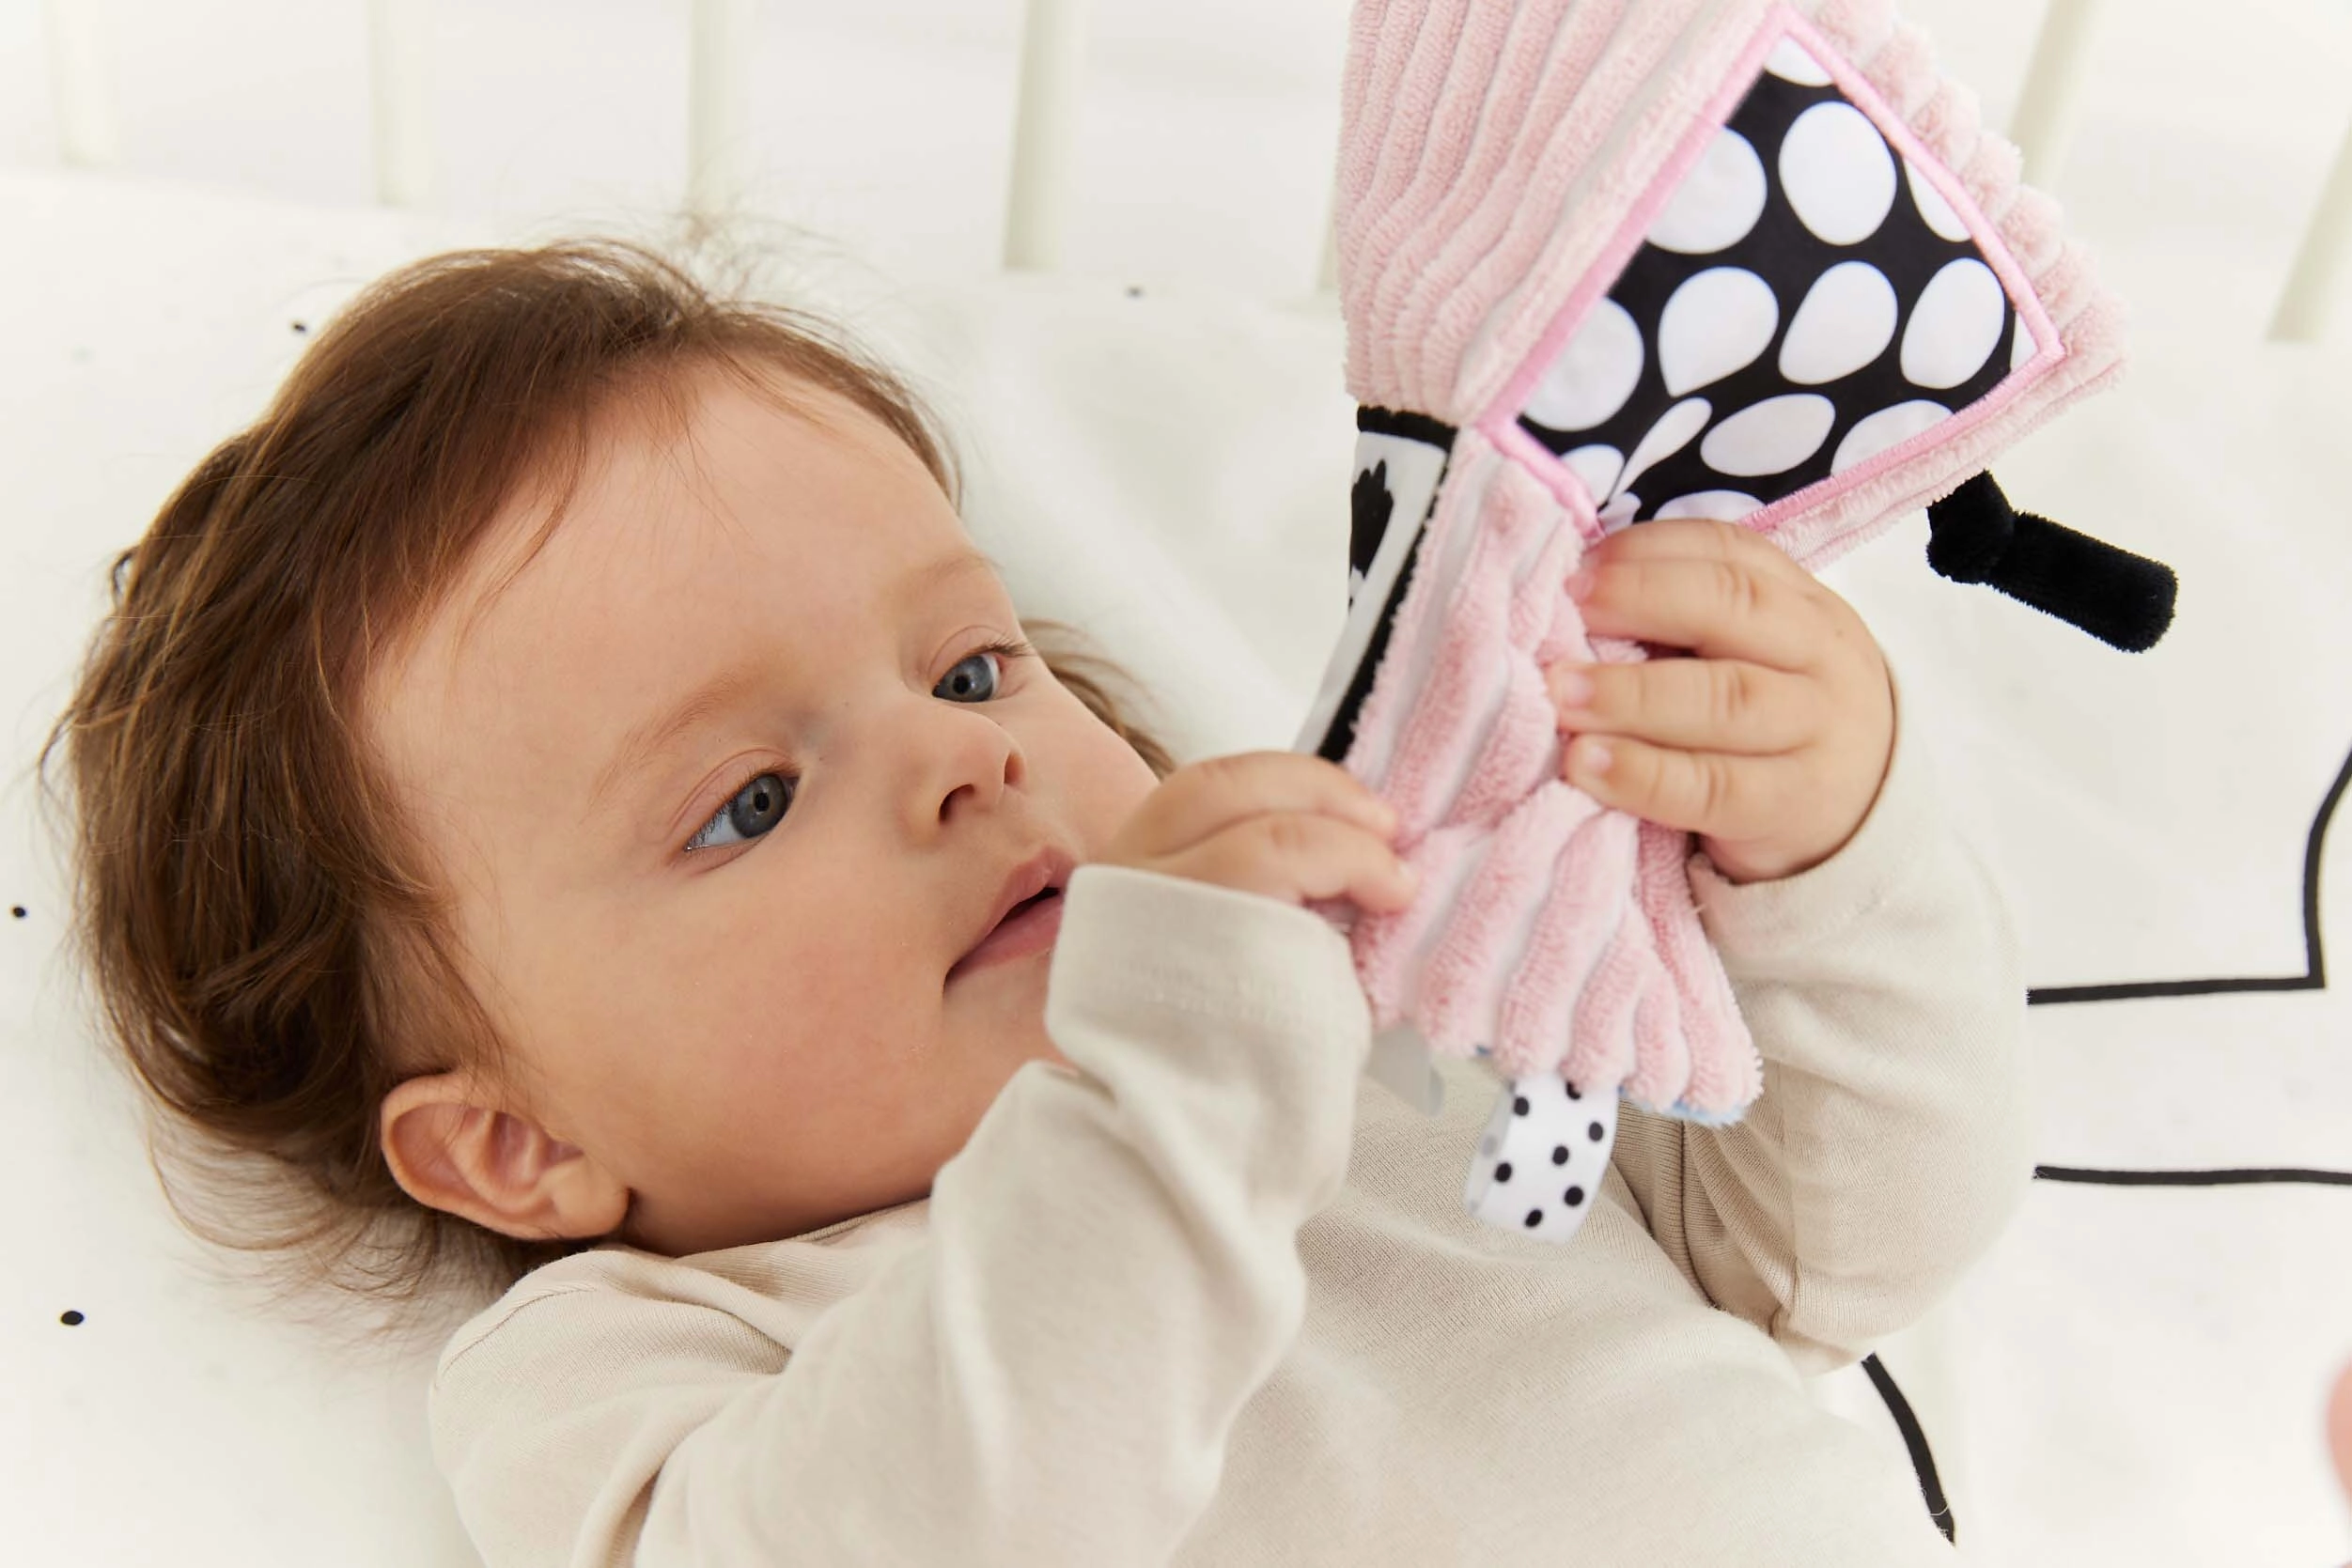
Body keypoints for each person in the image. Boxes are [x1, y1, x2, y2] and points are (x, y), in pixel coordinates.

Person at [41, 237, 2031, 1564]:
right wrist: (1169, 1077)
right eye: (749, 801)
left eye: (973, 666)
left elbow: (1826, 1260)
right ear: (517, 1145)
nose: (959, 758)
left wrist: (1824, 854)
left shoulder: (1390, 1031)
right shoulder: (640, 1364)